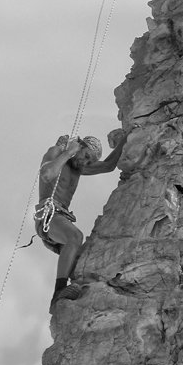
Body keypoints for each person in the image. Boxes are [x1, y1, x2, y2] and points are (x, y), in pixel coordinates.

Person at [35, 131, 129, 309]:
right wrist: (68, 152)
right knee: (75, 237)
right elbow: (47, 175)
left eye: (89, 161)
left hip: (63, 216)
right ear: (79, 146)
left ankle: (67, 296)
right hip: (49, 214)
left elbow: (108, 166)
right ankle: (58, 292)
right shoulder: (57, 153)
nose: (85, 162)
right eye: (85, 156)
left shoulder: (78, 167)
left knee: (82, 258)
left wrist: (127, 136)